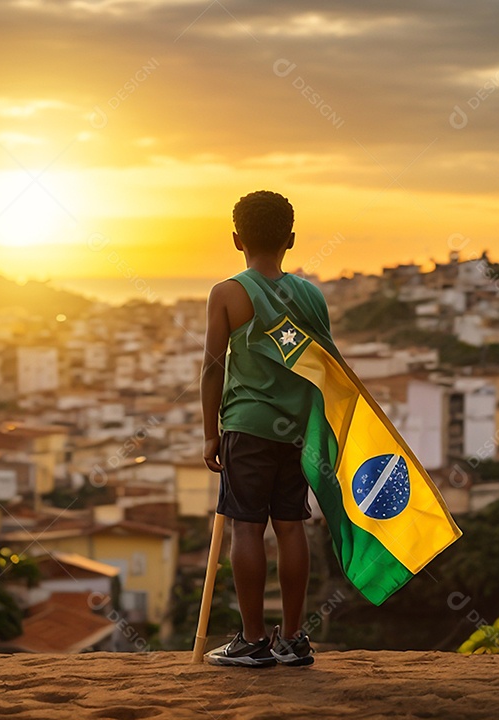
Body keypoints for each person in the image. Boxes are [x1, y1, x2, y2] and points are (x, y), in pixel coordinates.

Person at [200, 190, 331, 668]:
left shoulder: (228, 293)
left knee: (247, 528)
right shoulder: (312, 295)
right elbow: (324, 368)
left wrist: (210, 432)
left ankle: (253, 640)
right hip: (296, 430)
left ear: (237, 240)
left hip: (247, 425)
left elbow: (213, 367)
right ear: (290, 240)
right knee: (291, 525)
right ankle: (294, 639)